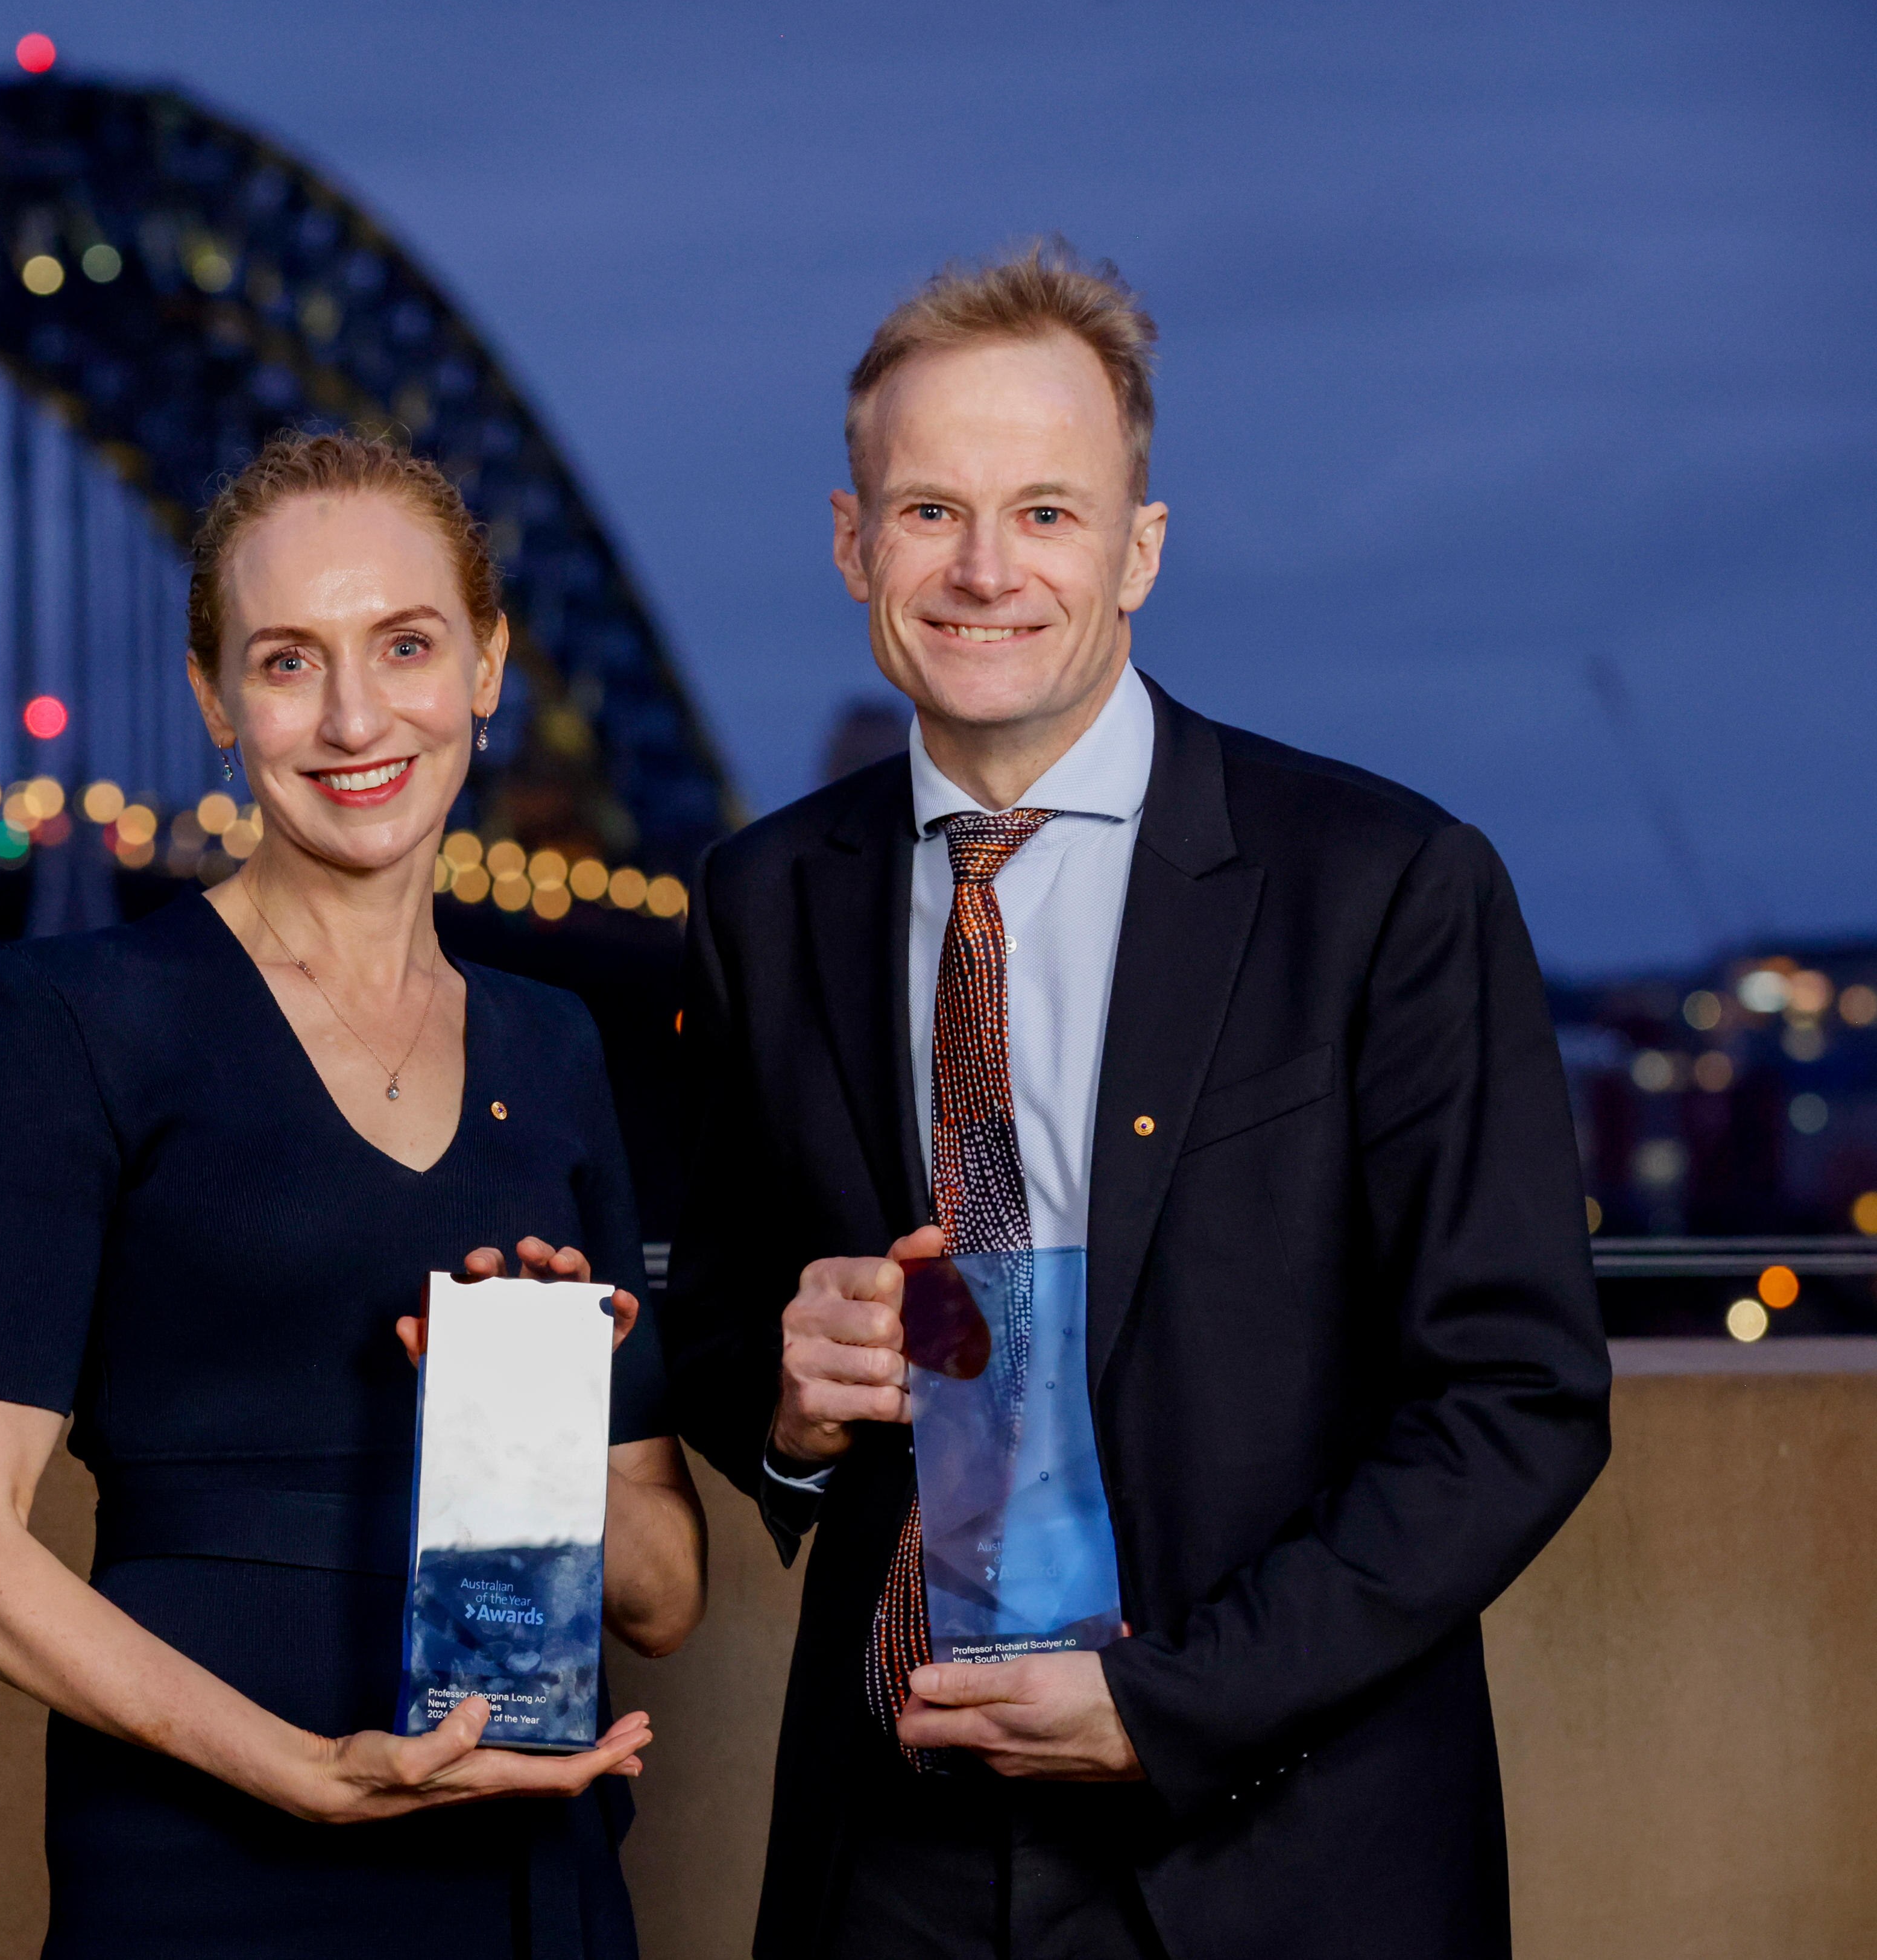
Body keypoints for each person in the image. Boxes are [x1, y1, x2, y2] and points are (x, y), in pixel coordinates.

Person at [659, 241, 1611, 1958]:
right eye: (930, 510)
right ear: (852, 540)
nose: (982, 568)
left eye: (1046, 511)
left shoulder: (1384, 886)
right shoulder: (761, 897)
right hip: (896, 1853)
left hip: (1282, 1852)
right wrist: (790, 1413)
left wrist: (1164, 1703)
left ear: (1139, 550)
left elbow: (1516, 1396)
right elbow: (728, 1338)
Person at [0, 428, 708, 1959]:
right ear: (213, 699)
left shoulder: (555, 1037)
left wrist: (533, 1412)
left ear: (487, 664)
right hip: (211, 1862)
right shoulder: (82, 1016)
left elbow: (660, 1596)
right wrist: (305, 1773)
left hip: (528, 1856)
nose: (350, 716)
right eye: (284, 661)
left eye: (405, 643)